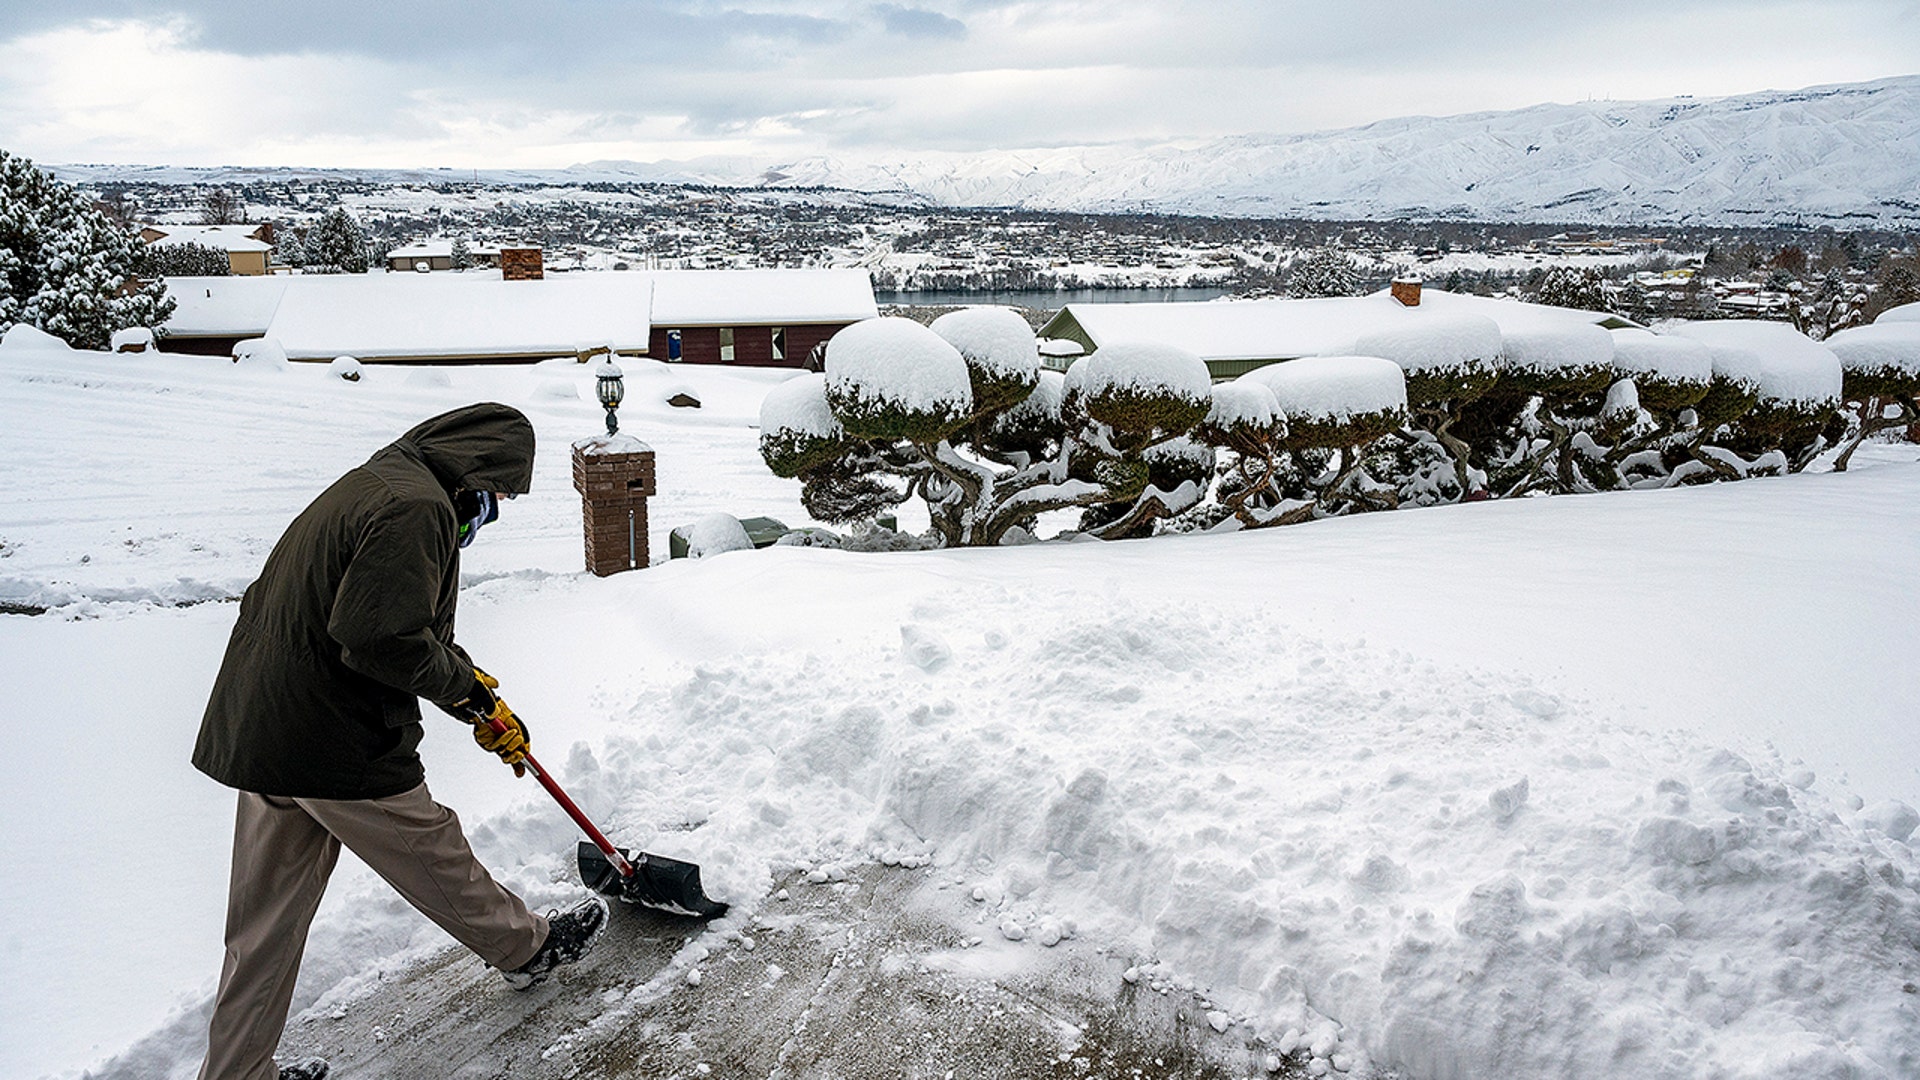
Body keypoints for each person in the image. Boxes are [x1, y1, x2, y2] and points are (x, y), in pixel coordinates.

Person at [191, 403, 607, 1080]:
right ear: (474, 473)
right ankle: (527, 950)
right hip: (331, 734)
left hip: (267, 723)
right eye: (499, 494)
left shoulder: (384, 481)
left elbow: (394, 623)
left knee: (262, 927)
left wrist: (475, 696)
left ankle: (235, 1072)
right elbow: (381, 639)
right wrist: (465, 691)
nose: (493, 510)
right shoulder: (420, 508)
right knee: (432, 850)